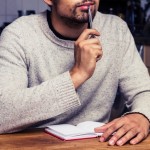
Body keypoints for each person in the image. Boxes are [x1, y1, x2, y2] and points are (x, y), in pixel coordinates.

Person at [0, 0, 150, 146]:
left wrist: (142, 116)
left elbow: (143, 91)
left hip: (99, 143)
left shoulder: (116, 29)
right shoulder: (19, 35)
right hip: (33, 144)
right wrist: (77, 75)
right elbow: (3, 115)